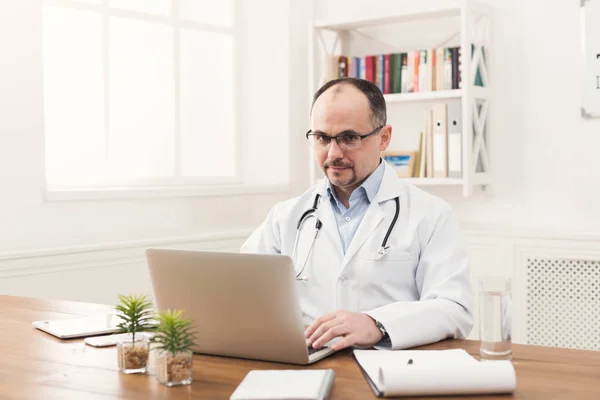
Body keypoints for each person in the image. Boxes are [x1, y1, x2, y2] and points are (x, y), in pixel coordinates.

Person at [241, 77, 473, 351]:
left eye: (349, 138)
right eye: (322, 138)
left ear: (383, 137)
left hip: (389, 367)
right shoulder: (286, 216)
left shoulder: (431, 214)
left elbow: (454, 308)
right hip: (306, 363)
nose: (334, 153)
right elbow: (240, 288)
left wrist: (377, 323)